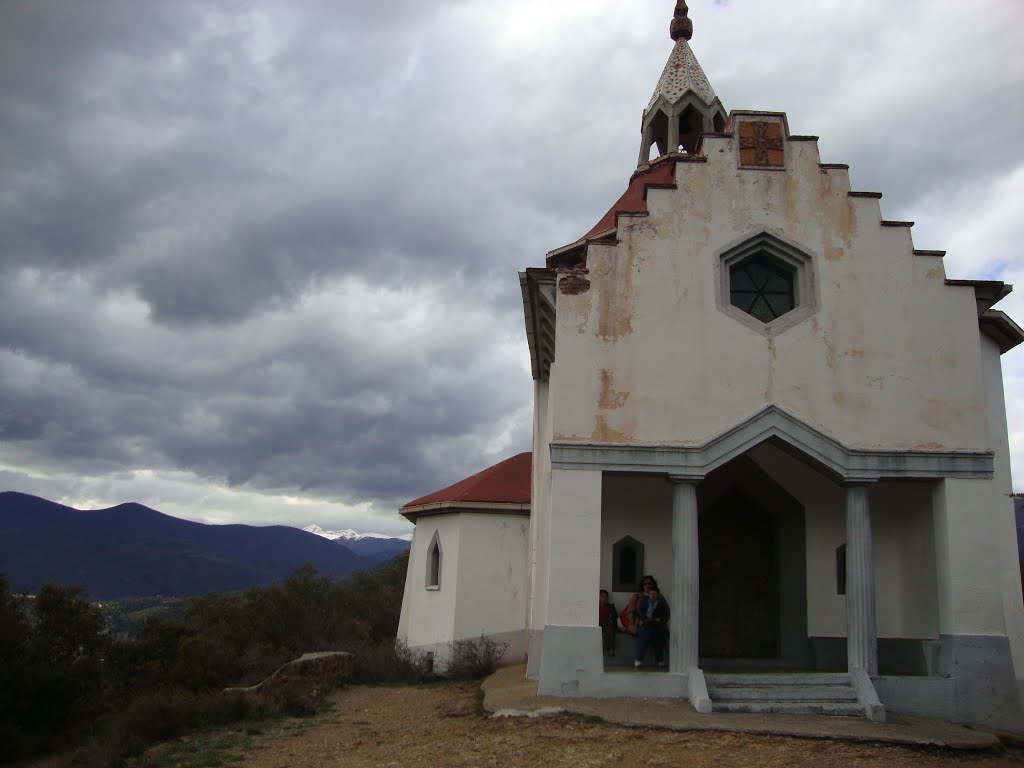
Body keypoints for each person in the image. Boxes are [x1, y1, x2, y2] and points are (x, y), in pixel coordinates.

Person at [634, 585, 669, 668]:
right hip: (645, 623)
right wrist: (642, 620)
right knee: (643, 637)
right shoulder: (644, 601)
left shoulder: (660, 603)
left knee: (658, 638)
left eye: (654, 594)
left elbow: (664, 615)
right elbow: (639, 612)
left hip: (656, 624)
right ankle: (638, 659)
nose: (653, 596)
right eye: (651, 594)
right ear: (648, 594)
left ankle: (660, 660)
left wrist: (659, 620)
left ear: (657, 595)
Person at [598, 589, 617, 656]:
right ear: (599, 597)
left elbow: (615, 618)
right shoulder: (595, 606)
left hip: (607, 624)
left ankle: (610, 649)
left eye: (606, 597)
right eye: (602, 596)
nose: (604, 598)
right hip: (598, 624)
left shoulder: (610, 607)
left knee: (610, 630)